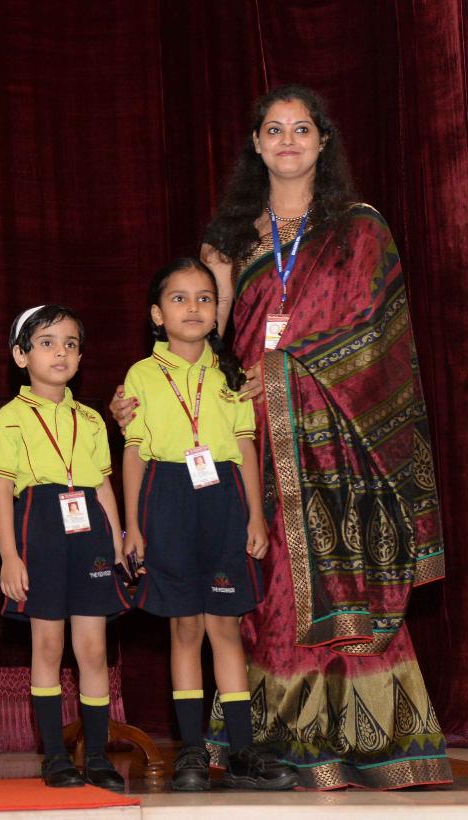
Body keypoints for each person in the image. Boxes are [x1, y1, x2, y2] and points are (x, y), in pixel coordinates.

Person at [114, 85, 450, 789]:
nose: (288, 140)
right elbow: (204, 342)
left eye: (302, 128)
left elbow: (378, 340)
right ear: (257, 144)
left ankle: (365, 740)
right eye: (274, 129)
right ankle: (260, 742)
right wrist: (141, 402)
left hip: (338, 440)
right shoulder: (230, 240)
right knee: (264, 590)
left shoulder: (360, 230)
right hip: (250, 439)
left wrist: (287, 371)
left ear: (323, 141)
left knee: (339, 576)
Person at [120, 258, 297, 792]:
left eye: (204, 298)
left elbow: (245, 448)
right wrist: (133, 525)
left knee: (225, 627)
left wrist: (255, 516)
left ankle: (241, 752)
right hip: (167, 498)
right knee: (185, 628)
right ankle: (192, 752)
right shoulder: (141, 376)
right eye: (179, 298)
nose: (193, 308)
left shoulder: (230, 374)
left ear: (217, 312)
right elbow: (134, 452)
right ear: (157, 314)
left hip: (224, 502)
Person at [0, 305, 129, 791]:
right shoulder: (10, 417)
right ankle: (54, 757)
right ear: (20, 355)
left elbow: (104, 486)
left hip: (90, 533)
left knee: (93, 649)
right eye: (46, 343)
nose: (60, 353)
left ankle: (98, 757)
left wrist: (118, 542)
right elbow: (1, 491)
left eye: (70, 344)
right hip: (40, 530)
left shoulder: (90, 419)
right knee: (47, 645)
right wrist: (10, 556)